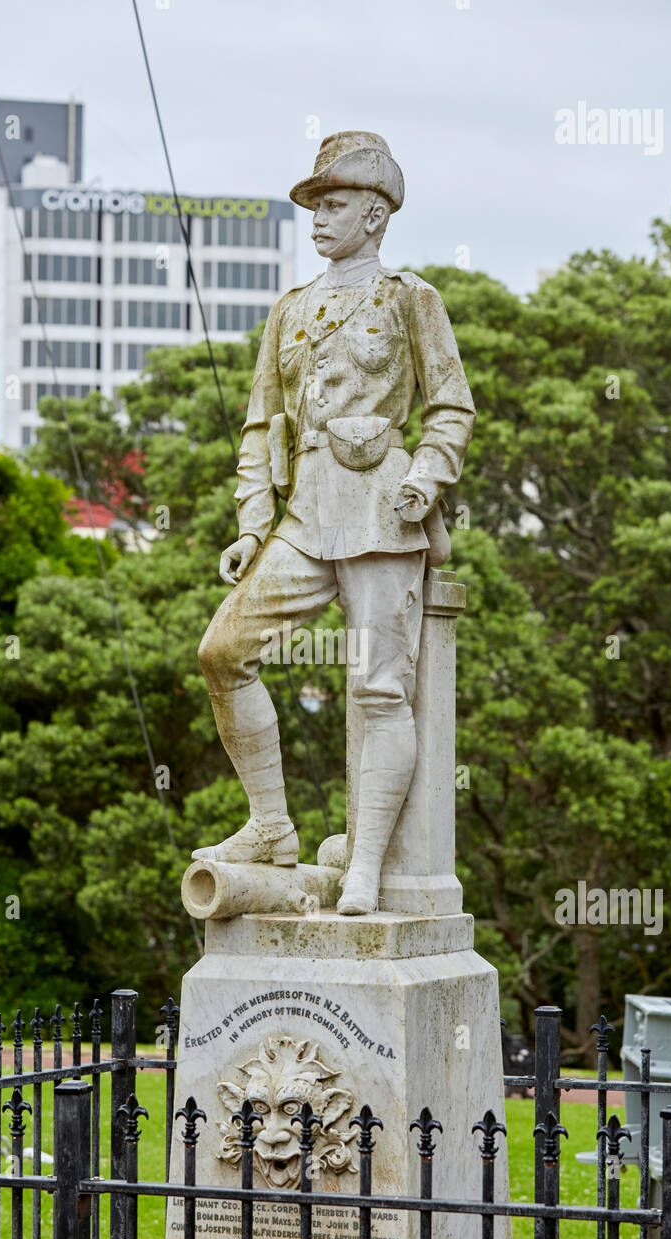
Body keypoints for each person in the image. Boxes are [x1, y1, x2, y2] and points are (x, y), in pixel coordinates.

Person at [194, 131, 475, 915]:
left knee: (379, 690)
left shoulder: (410, 297)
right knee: (223, 652)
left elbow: (451, 405)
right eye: (316, 203)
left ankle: (364, 865)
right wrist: (252, 523)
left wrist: (425, 476)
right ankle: (271, 826)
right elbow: (261, 425)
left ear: (376, 215)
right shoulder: (291, 307)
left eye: (336, 202)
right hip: (304, 512)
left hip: (384, 510)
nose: (319, 217)